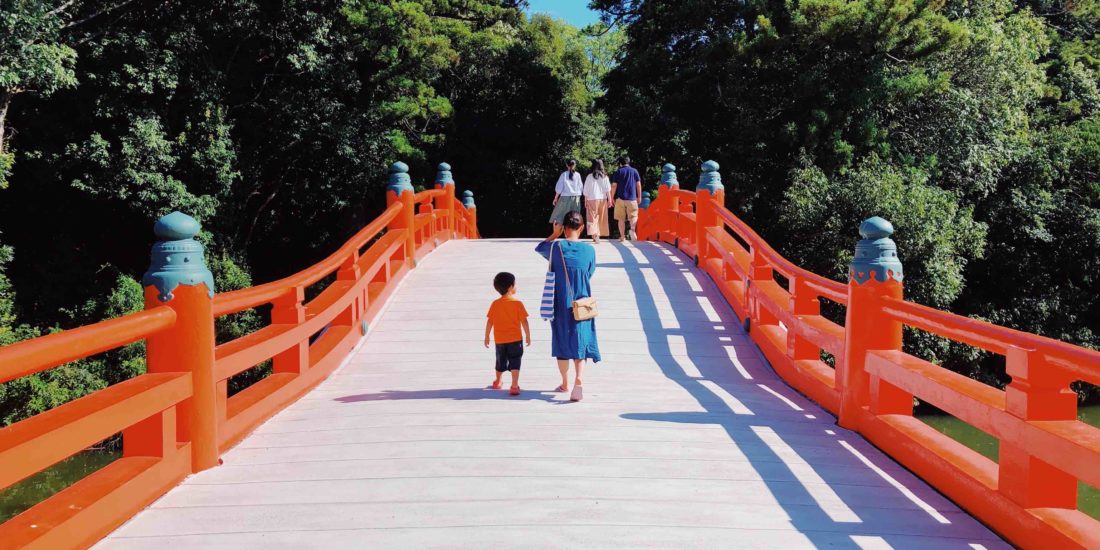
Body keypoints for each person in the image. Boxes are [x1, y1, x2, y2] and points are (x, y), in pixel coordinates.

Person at [535, 211, 600, 401]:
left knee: (562, 340)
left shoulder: (556, 248)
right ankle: (579, 379)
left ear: (564, 228)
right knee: (580, 340)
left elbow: (540, 248)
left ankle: (565, 382)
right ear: (581, 228)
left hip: (560, 301)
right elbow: (590, 272)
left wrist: (554, 235)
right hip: (582, 301)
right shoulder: (590, 250)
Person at [484, 272, 531, 396]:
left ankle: (498, 381)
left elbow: (490, 322)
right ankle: (514, 385)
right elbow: (524, 321)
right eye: (515, 284)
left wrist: (487, 336)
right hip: (515, 340)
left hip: (500, 340)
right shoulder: (517, 304)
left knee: (500, 360)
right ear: (511, 287)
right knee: (515, 361)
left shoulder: (495, 304)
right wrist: (528, 335)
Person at [546, 160, 584, 241]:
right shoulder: (578, 175)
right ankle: (574, 236)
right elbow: (581, 188)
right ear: (575, 165)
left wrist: (555, 198)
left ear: (567, 165)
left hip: (565, 198)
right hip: (576, 198)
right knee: (575, 218)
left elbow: (559, 189)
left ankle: (555, 235)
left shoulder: (564, 175)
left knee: (559, 216)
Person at [609, 156, 642, 242]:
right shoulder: (635, 171)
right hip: (632, 198)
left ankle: (622, 236)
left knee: (621, 219)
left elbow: (614, 186)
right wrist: (639, 196)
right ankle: (632, 230)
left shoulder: (618, 171)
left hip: (620, 198)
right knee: (634, 216)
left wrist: (611, 197)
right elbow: (638, 185)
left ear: (620, 163)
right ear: (629, 162)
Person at [582, 159, 612, 244]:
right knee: (601, 218)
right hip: (602, 199)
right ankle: (597, 234)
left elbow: (586, 191)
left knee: (592, 217)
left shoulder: (589, 176)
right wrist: (609, 200)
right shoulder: (605, 177)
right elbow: (608, 190)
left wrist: (585, 200)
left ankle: (595, 234)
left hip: (592, 199)